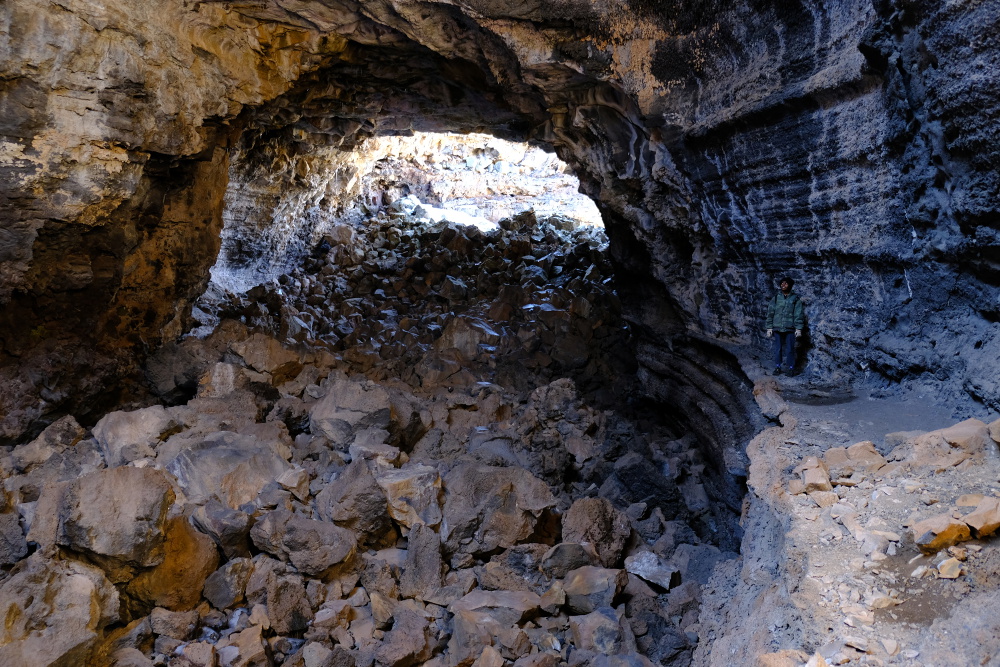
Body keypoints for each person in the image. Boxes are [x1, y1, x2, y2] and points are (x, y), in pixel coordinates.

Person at [765, 277, 805, 375]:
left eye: (786, 283)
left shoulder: (795, 299)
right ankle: (778, 367)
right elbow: (770, 312)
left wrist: (798, 328)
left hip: (790, 328)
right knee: (778, 349)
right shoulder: (776, 298)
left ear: (790, 285)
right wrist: (769, 327)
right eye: (782, 283)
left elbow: (798, 314)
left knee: (790, 349)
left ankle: (791, 368)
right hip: (777, 327)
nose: (783, 285)